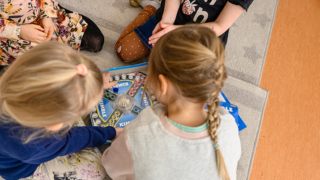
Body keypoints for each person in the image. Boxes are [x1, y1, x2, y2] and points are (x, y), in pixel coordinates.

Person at [103, 25, 241, 180]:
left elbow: (111, 167)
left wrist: (126, 140)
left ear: (163, 85)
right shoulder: (229, 124)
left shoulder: (139, 132)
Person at [0, 42, 122, 180]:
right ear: (56, 125)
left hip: (12, 151)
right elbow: (72, 140)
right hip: (17, 170)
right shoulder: (36, 143)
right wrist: (110, 133)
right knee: (97, 169)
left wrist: (92, 85)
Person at [115, 0, 253, 62]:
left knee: (183, 85)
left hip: (201, 39)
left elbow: (219, 26)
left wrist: (175, 31)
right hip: (172, 18)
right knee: (123, 51)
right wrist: (166, 23)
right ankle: (152, 6)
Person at [0, 0, 104, 66]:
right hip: (12, 36)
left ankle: (58, 9)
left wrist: (47, 14)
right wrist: (19, 31)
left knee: (96, 41)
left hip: (41, 12)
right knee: (54, 71)